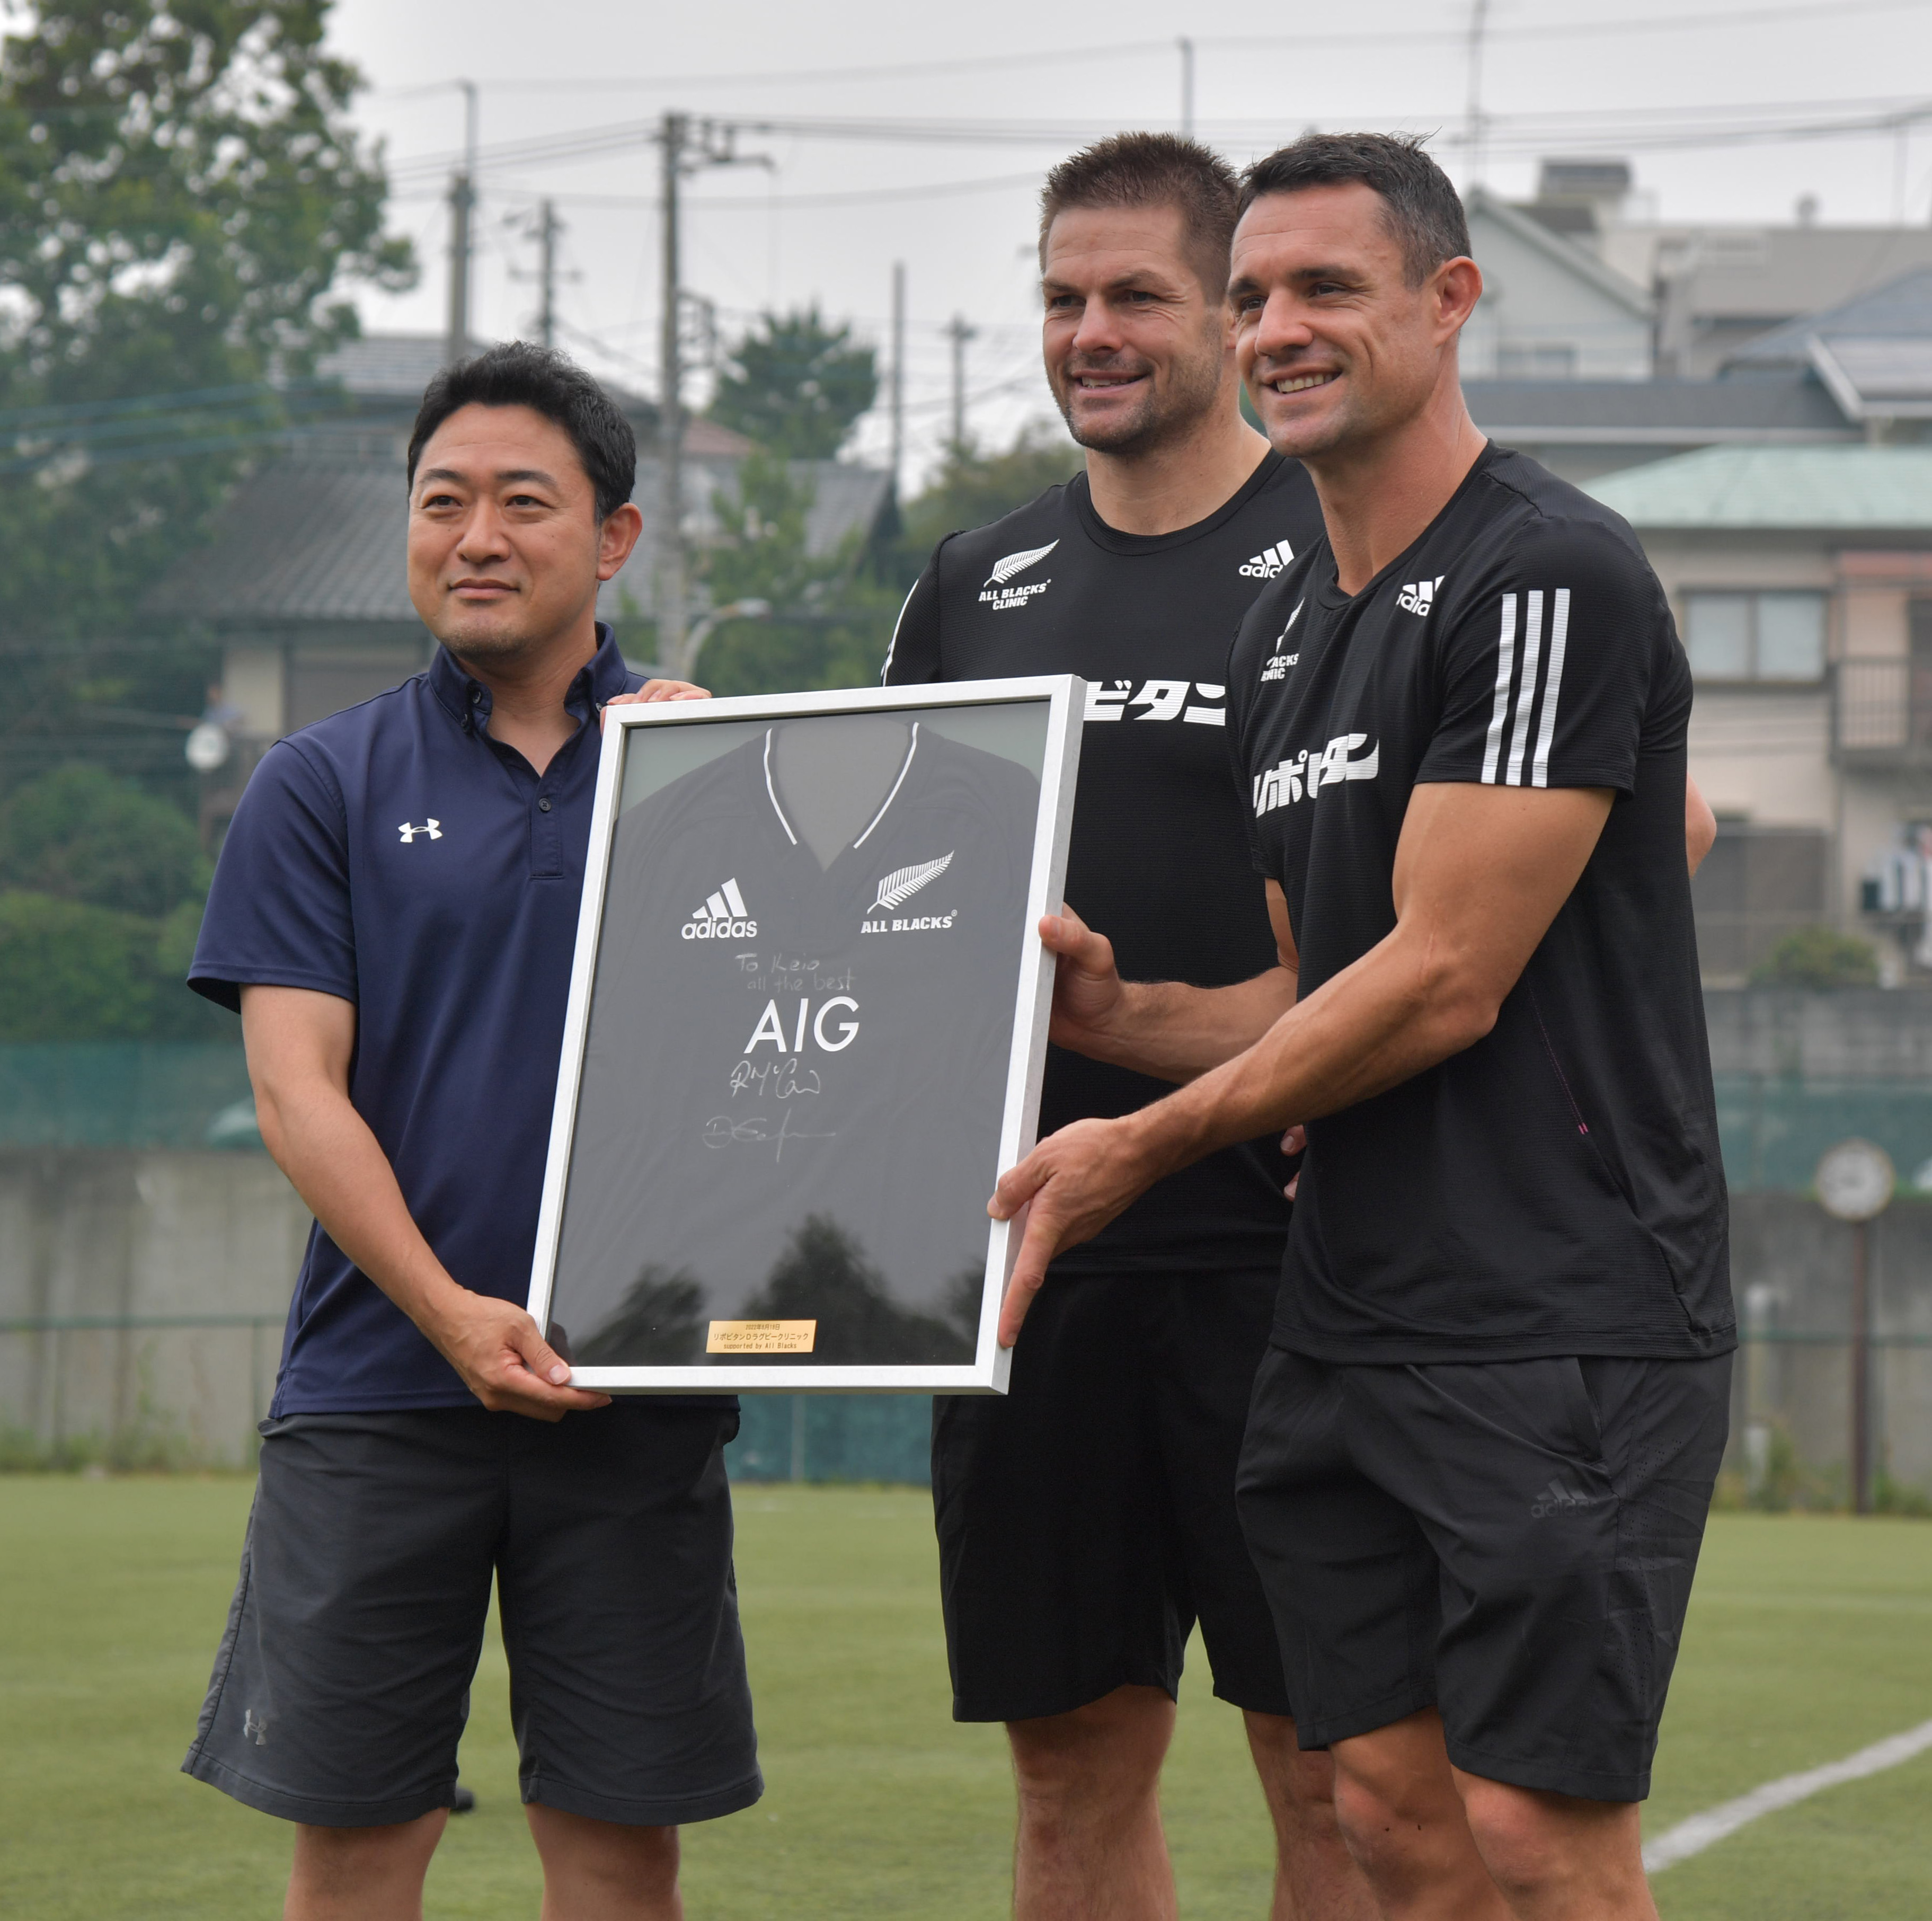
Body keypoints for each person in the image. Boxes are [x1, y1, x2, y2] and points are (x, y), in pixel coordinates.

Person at [987, 132, 1733, 1921]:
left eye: (1326, 287)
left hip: (1555, 1314)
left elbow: (1447, 971)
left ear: (1449, 301)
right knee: (1386, 1815)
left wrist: (1136, 1143)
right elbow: (1318, 994)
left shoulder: (1549, 574)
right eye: (1251, 296)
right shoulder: (1299, 639)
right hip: (1345, 1315)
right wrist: (1130, 1016)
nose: (1277, 330)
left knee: (1536, 1839)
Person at [179, 342, 755, 1921]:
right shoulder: (320, 783)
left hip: (629, 1384)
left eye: (523, 501)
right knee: (360, 1850)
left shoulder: (715, 768)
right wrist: (448, 1312)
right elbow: (301, 1092)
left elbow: (790, 1064)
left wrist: (720, 792)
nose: (476, 536)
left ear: (615, 536)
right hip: (379, 1387)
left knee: (621, 1850)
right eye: (444, 502)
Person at [883, 134, 1374, 1921]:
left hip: (1304, 1264)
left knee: (1334, 1776)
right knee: (1066, 1779)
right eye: (1062, 299)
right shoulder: (975, 582)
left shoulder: (1352, 551)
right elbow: (869, 899)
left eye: (1139, 297)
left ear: (1230, 316)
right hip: (1034, 1262)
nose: (1093, 331)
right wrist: (700, 769)